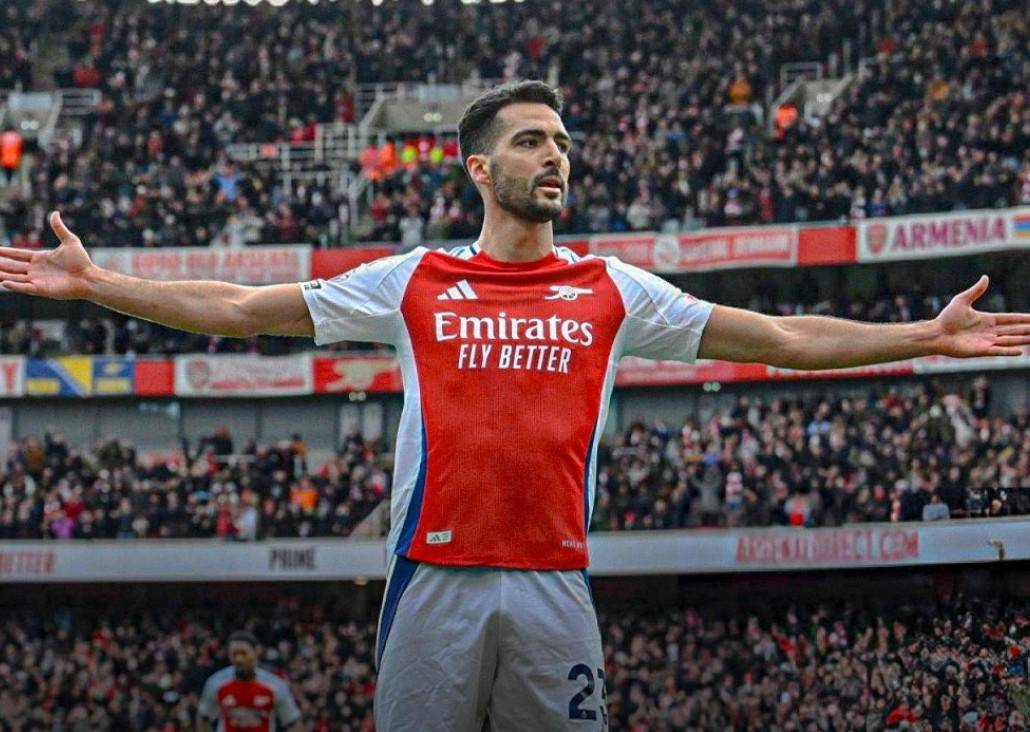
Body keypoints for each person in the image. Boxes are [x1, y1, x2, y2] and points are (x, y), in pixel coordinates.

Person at [0, 80, 1028, 731]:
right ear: (480, 168)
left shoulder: (613, 289)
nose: (556, 157)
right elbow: (239, 309)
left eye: (563, 143)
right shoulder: (414, 279)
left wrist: (922, 338)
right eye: (533, 141)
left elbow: (783, 338)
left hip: (553, 585)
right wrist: (99, 286)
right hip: (430, 584)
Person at [197, 631, 301, 732]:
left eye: (243, 653)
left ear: (257, 651)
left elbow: (293, 723)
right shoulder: (216, 683)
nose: (239, 659)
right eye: (234, 654)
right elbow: (203, 718)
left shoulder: (275, 685)